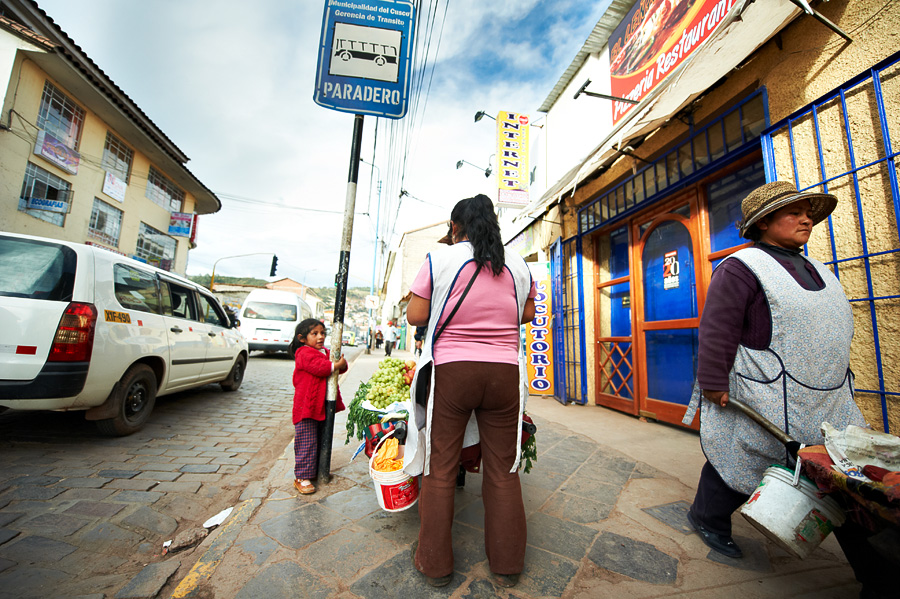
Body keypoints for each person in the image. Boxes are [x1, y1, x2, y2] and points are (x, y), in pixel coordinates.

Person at [682, 181, 889, 594]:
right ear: (763, 222)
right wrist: (713, 382)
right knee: (745, 459)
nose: (806, 218)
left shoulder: (818, 270)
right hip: (768, 391)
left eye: (809, 212)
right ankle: (707, 517)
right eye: (793, 212)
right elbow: (718, 328)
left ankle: (875, 573)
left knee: (842, 475)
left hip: (826, 395)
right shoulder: (742, 267)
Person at [405, 194, 536, 588]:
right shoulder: (517, 263)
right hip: (503, 375)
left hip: (454, 372)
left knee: (441, 468)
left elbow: (416, 314)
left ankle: (435, 565)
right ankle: (508, 564)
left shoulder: (439, 258)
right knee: (503, 469)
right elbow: (526, 314)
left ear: (455, 227)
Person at [289, 318, 347, 495]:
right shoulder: (303, 353)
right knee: (306, 442)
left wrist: (339, 365)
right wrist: (337, 364)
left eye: (322, 333)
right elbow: (321, 368)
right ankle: (301, 477)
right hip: (306, 407)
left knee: (319, 439)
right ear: (302, 338)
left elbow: (335, 368)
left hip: (320, 407)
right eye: (315, 334)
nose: (320, 337)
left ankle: (312, 471)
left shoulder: (323, 351)